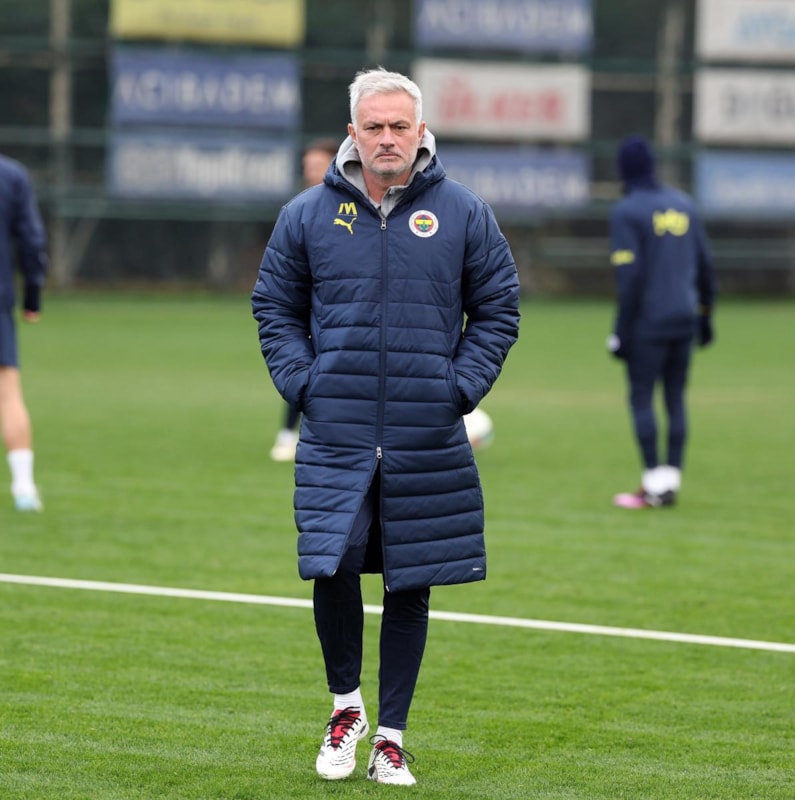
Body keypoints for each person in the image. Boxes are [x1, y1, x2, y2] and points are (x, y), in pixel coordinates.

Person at [251, 68, 519, 785]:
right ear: (353, 134)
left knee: (412, 578)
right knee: (332, 563)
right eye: (374, 127)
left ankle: (391, 739)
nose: (388, 138)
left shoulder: (464, 212)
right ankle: (346, 708)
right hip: (335, 429)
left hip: (424, 431)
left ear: (421, 131)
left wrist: (458, 389)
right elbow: (273, 305)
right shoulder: (306, 215)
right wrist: (303, 383)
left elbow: (498, 308)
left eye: (401, 126)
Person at [606, 134, 716, 509]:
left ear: (623, 169)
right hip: (685, 318)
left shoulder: (627, 210)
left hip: (648, 322)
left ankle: (654, 482)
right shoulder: (684, 204)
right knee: (675, 398)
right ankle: (669, 482)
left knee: (641, 397)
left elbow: (629, 279)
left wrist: (620, 332)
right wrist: (705, 318)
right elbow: (705, 268)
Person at [270, 138, 341, 462]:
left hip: (340, 309)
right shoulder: (300, 209)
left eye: (318, 165)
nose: (311, 172)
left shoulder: (352, 208)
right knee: (302, 367)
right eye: (307, 167)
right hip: (309, 308)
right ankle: (288, 435)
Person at [0, 153, 48, 511]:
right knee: (7, 392)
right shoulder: (11, 175)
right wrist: (33, 295)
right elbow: (32, 241)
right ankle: (24, 488)